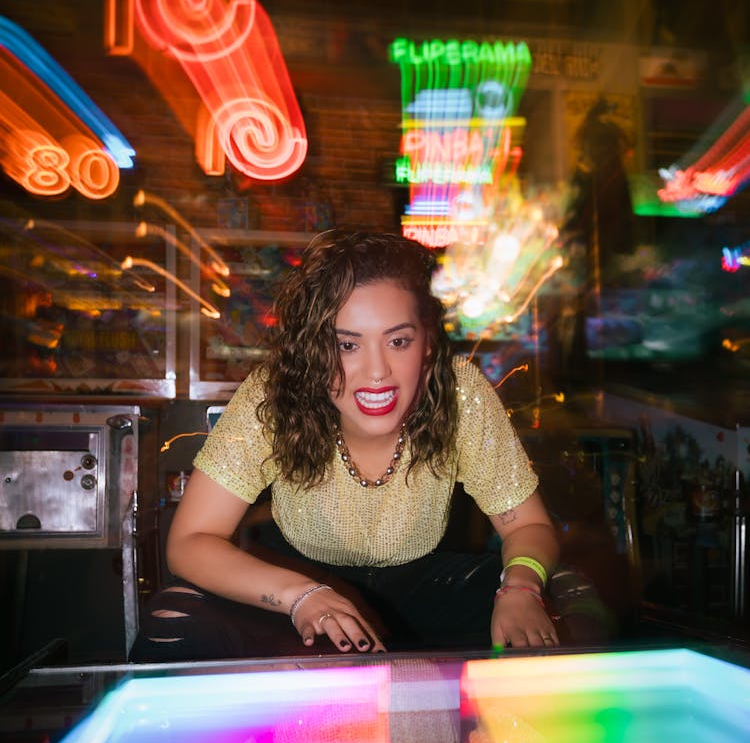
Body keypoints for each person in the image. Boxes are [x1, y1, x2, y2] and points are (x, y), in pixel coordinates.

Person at [130, 229, 559, 662]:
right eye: (347, 345)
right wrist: (301, 596)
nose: (377, 371)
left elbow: (527, 526)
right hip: (298, 580)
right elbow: (190, 541)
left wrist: (521, 588)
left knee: (565, 600)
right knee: (173, 620)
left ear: (427, 345)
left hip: (425, 591)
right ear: (314, 350)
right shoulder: (273, 396)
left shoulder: (460, 392)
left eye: (398, 341)